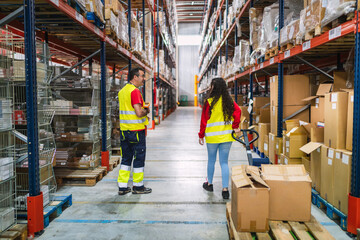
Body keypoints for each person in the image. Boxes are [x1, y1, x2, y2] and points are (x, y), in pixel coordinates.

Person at [198, 77, 241, 199]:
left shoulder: (209, 102)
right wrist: (235, 126)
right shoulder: (229, 102)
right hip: (226, 137)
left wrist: (201, 134)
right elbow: (238, 112)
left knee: (211, 160)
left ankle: (209, 184)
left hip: (212, 138)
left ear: (213, 88)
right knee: (224, 163)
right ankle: (225, 189)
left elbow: (204, 120)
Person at [117, 68, 152, 195]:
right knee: (138, 159)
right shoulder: (135, 91)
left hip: (124, 131)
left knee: (126, 159)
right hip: (136, 132)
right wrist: (146, 111)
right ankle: (138, 186)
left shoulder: (122, 91)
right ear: (135, 77)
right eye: (142, 76)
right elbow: (138, 112)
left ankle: (122, 187)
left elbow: (128, 111)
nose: (144, 79)